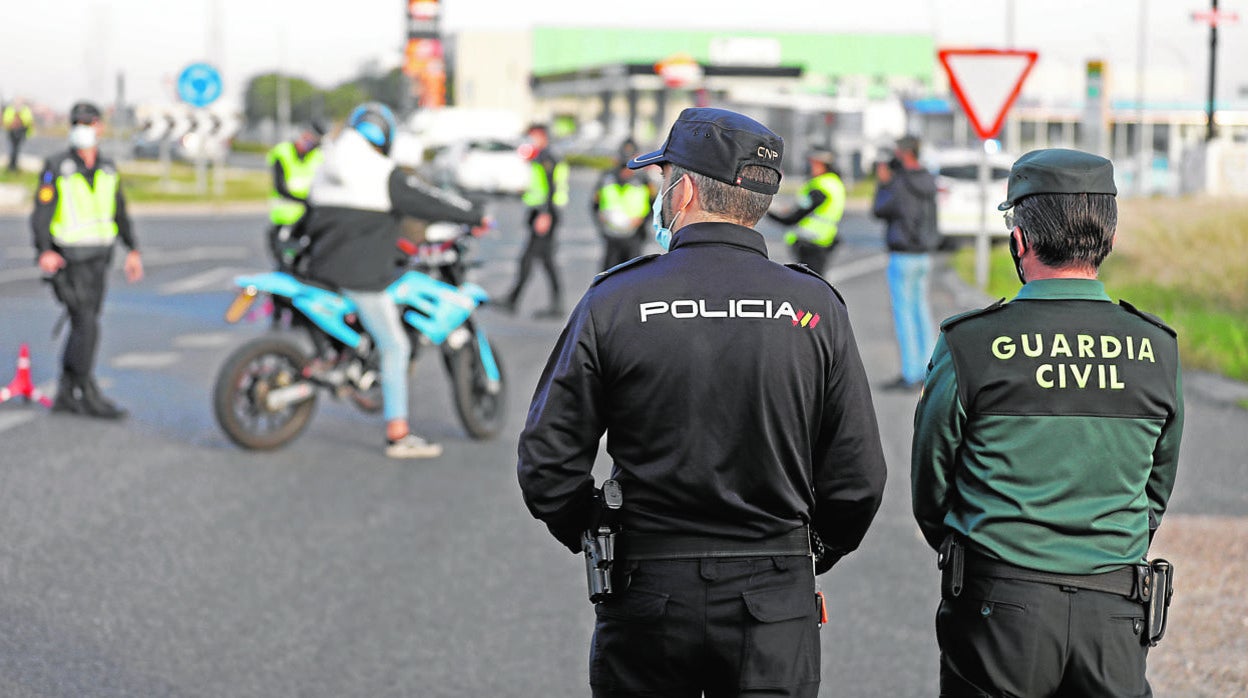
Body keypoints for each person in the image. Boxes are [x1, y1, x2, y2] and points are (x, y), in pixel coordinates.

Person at [517, 107, 888, 698]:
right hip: (775, 593)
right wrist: (808, 551)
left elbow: (546, 460)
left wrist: (595, 532)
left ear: (684, 189)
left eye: (662, 178)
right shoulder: (815, 308)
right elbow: (859, 477)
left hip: (646, 588)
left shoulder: (616, 300)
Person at [911, 148, 1184, 697]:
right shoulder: (1156, 348)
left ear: (1020, 241)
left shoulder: (971, 342)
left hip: (998, 609)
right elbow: (1157, 486)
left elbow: (931, 483)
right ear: (1107, 239)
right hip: (1114, 611)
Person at [302, 102, 489, 459]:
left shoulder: (327, 166)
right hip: (364, 276)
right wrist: (474, 214)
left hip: (320, 271)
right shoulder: (383, 173)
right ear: (385, 136)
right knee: (396, 347)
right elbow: (429, 201)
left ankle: (344, 363)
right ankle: (398, 434)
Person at [31, 101, 143, 419]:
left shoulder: (108, 169)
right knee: (86, 325)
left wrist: (132, 249)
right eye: (77, 122)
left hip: (99, 259)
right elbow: (41, 213)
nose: (83, 128)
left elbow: (119, 211)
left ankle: (68, 391)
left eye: (88, 122)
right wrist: (44, 251)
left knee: (85, 324)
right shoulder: (57, 166)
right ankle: (86, 390)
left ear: (100, 127)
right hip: (70, 260)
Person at [872, 134, 939, 391]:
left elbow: (880, 210)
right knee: (921, 311)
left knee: (904, 313)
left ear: (903, 153)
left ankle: (910, 373)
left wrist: (883, 184)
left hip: (903, 253)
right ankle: (928, 370)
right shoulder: (928, 179)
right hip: (924, 253)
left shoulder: (900, 183)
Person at [500, 123, 568, 319]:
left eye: (532, 136)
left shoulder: (547, 157)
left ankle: (514, 300)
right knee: (543, 260)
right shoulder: (541, 156)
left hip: (545, 214)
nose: (530, 140)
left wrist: (545, 214)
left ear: (542, 136)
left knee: (531, 259)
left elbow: (551, 187)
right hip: (540, 212)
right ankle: (550, 304)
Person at [766, 149, 847, 275]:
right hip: (823, 241)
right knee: (816, 283)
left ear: (821, 165)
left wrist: (769, 211)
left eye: (813, 164)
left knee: (810, 285)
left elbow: (795, 216)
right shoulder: (833, 182)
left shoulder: (821, 186)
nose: (810, 167)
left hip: (811, 244)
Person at [265, 119, 327, 270]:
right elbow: (280, 187)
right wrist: (304, 201)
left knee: (303, 263)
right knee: (284, 262)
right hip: (284, 219)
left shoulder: (318, 157)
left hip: (307, 221)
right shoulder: (282, 152)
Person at [590, 157, 652, 271]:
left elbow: (653, 204)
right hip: (612, 235)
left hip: (634, 235)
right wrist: (601, 221)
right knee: (609, 273)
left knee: (633, 272)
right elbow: (595, 205)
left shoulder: (643, 180)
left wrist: (642, 221)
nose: (626, 172)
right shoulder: (607, 179)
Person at [4, 98, 35, 172]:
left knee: (16, 149)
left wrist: (21, 123)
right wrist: (12, 124)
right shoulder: (10, 109)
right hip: (12, 131)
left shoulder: (25, 110)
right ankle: (11, 166)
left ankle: (13, 166)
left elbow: (29, 121)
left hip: (22, 131)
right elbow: (6, 120)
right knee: (13, 149)